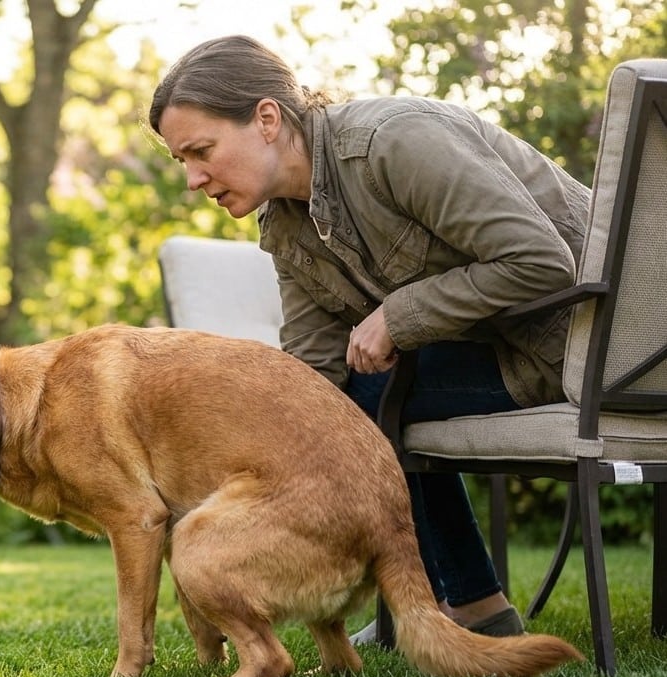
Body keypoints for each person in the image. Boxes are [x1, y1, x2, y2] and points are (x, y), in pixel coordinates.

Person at [148, 35, 590, 641]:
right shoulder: (283, 223)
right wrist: (248, 442)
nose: (194, 179)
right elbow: (312, 370)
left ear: (267, 119)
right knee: (337, 408)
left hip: (588, 347)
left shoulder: (394, 142)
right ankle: (444, 606)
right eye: (183, 162)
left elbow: (542, 261)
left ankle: (464, 608)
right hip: (505, 353)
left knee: (370, 393)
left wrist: (398, 316)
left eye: (202, 151)